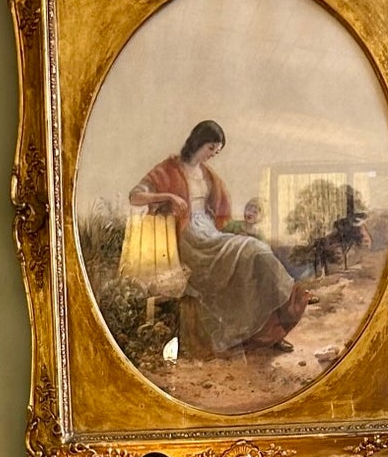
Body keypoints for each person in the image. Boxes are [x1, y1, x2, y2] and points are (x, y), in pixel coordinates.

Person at [128, 121, 308, 355]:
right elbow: (135, 196)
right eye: (211, 148)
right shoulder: (168, 169)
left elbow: (221, 210)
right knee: (251, 250)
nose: (213, 154)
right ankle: (288, 302)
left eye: (217, 150)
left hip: (209, 231)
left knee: (257, 252)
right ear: (198, 142)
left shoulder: (206, 173)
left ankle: (278, 324)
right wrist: (170, 196)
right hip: (190, 238)